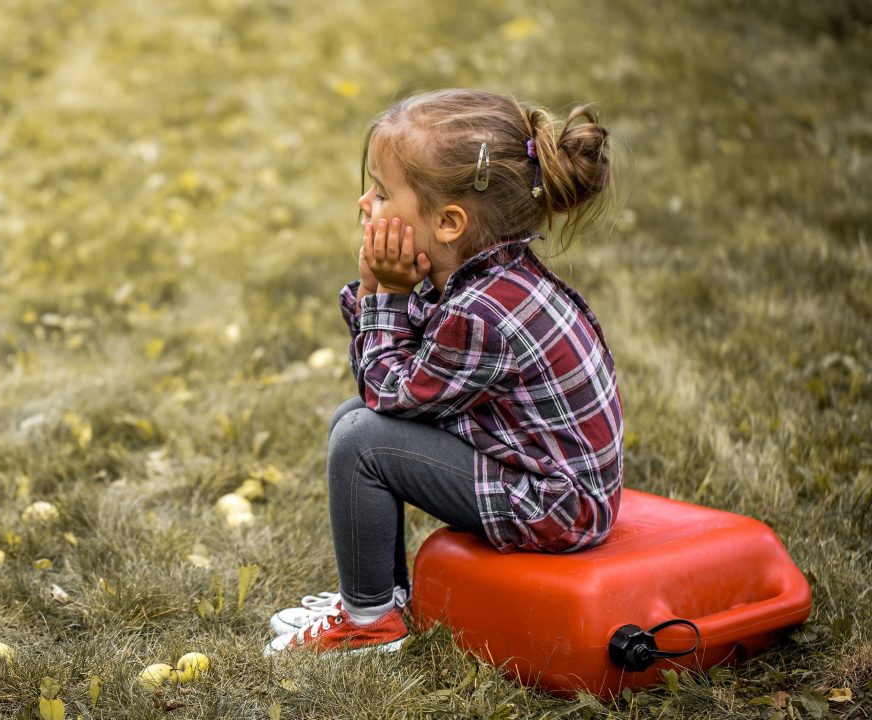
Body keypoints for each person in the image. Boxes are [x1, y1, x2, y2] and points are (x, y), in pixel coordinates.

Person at [264, 89, 624, 655]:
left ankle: (370, 624)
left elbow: (389, 393)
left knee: (360, 440)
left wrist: (382, 295)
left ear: (449, 223)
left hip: (556, 505)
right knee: (352, 419)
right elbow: (391, 390)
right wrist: (382, 292)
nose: (364, 202)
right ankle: (382, 598)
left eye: (382, 193)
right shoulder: (486, 278)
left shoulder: (478, 313)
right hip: (550, 480)